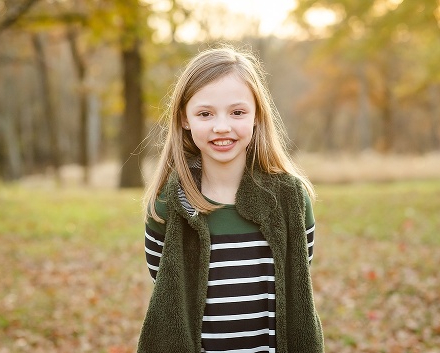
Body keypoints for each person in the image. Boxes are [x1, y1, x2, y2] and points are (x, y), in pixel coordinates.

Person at [137, 46, 325, 353]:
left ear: (256, 116)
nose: (221, 126)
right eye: (205, 113)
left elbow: (297, 283)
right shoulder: (166, 208)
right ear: (185, 119)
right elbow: (169, 297)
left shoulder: (292, 201)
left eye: (237, 112)